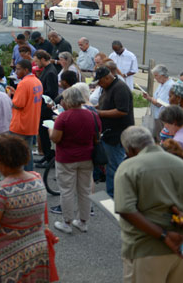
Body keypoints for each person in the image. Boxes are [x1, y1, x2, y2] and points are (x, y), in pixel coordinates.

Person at [114, 126, 183, 283]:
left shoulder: (129, 167)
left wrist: (164, 236)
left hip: (146, 249)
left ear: (130, 149)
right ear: (152, 141)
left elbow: (126, 210)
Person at [0, 134, 49, 283]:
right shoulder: (37, 179)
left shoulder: (0, 192)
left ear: (1, 162)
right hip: (37, 250)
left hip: (10, 256)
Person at [49, 86, 97, 234]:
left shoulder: (63, 117)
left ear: (68, 100)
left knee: (67, 191)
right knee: (85, 190)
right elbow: (96, 136)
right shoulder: (92, 115)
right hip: (87, 156)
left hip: (66, 158)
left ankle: (67, 222)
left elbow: (56, 138)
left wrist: (50, 129)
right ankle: (83, 221)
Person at [94, 66, 134, 199]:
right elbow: (105, 104)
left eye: (100, 81)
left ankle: (115, 195)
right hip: (109, 132)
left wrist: (100, 113)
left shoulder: (120, 88)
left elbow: (122, 110)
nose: (99, 84)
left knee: (114, 166)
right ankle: (112, 192)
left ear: (107, 77)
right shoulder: (107, 87)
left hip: (118, 134)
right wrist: (93, 108)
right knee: (110, 165)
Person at [8, 59, 43, 172]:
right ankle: (30, 176)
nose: (16, 72)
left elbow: (18, 105)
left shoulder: (23, 83)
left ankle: (18, 179)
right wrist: (16, 93)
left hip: (20, 125)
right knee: (27, 153)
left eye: (18, 69)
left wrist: (10, 97)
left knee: (16, 154)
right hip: (31, 123)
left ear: (26, 70)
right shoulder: (37, 81)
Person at [34, 50, 58, 168]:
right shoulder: (47, 70)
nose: (36, 63)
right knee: (42, 134)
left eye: (37, 61)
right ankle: (47, 156)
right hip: (43, 106)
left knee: (44, 133)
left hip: (46, 108)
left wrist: (40, 95)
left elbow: (52, 92)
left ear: (43, 59)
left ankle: (49, 157)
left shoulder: (50, 72)